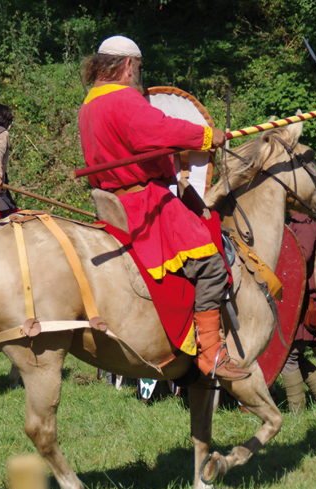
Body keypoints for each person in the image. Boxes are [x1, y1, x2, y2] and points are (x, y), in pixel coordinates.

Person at [78, 35, 248, 381]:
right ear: (128, 65)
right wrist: (205, 136)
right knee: (212, 265)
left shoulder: (89, 104)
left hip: (112, 201)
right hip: (144, 202)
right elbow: (155, 131)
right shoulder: (123, 98)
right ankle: (211, 353)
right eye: (138, 68)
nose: (138, 74)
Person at [281, 212, 316, 413]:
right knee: (295, 355)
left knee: (289, 356)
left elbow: (299, 256)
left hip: (304, 303)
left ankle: (297, 411)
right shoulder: (301, 221)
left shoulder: (304, 223)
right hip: (300, 300)